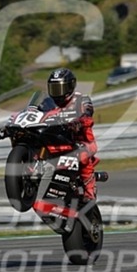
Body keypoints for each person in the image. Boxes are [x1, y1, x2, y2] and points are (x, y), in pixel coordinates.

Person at [46, 68, 99, 202]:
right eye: (54, 88)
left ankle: (90, 191)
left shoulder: (81, 99)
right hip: (57, 141)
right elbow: (36, 113)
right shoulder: (48, 102)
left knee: (82, 153)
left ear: (70, 86)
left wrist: (80, 121)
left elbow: (88, 111)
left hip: (82, 140)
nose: (57, 93)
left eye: (60, 88)